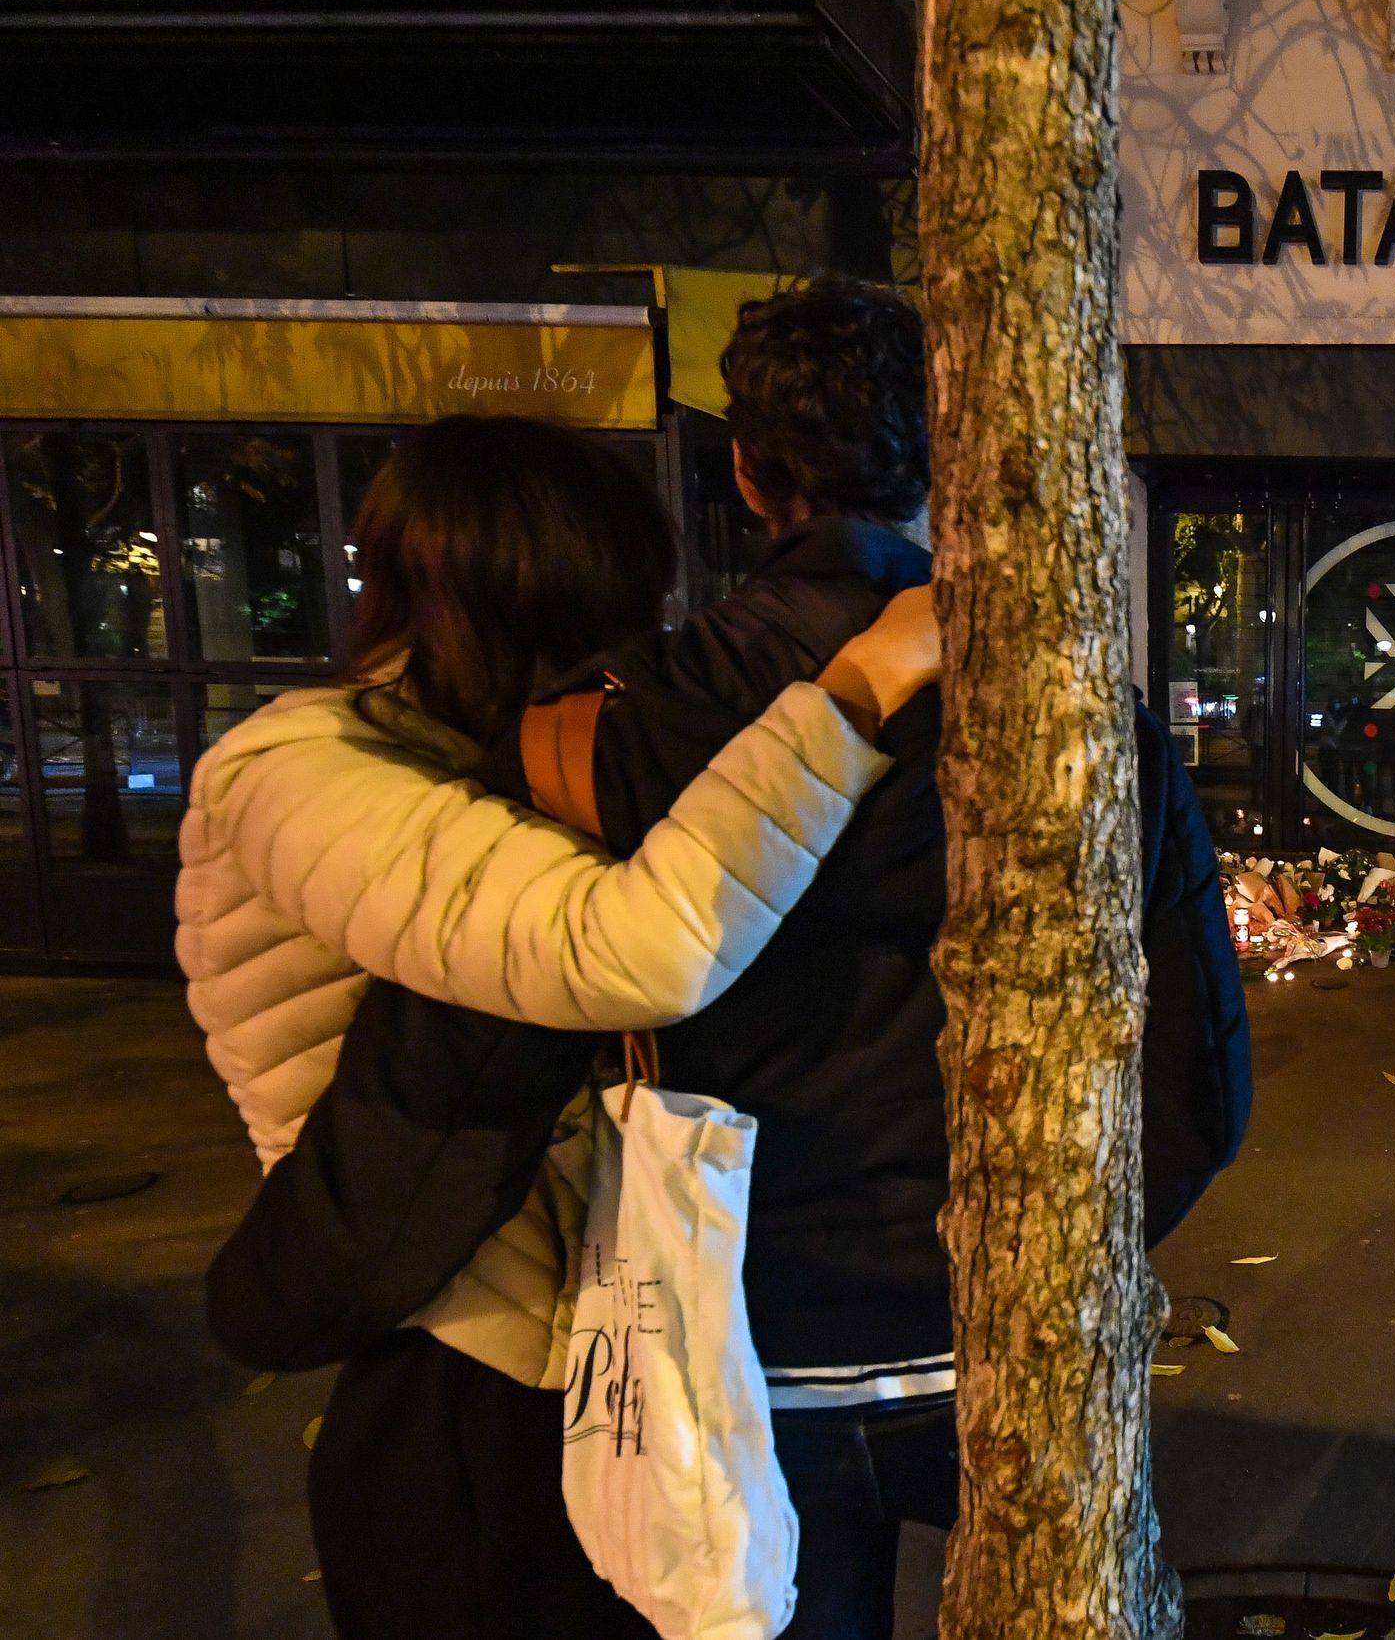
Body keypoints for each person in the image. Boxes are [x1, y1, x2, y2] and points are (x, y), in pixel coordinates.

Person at [209, 277, 1252, 1640]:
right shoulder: (1081, 717)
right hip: (1000, 1331)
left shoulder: (596, 728)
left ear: (750, 473)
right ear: (947, 459)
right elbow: (1195, 1075)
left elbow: (542, 1032)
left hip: (736, 1343)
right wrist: (1062, 1249)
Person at [183, 415, 937, 1633]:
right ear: (526, 591)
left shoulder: (456, 750)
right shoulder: (301, 772)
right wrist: (851, 696)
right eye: (614, 603)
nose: (633, 642)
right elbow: (634, 949)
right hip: (452, 1359)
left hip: (561, 1333)